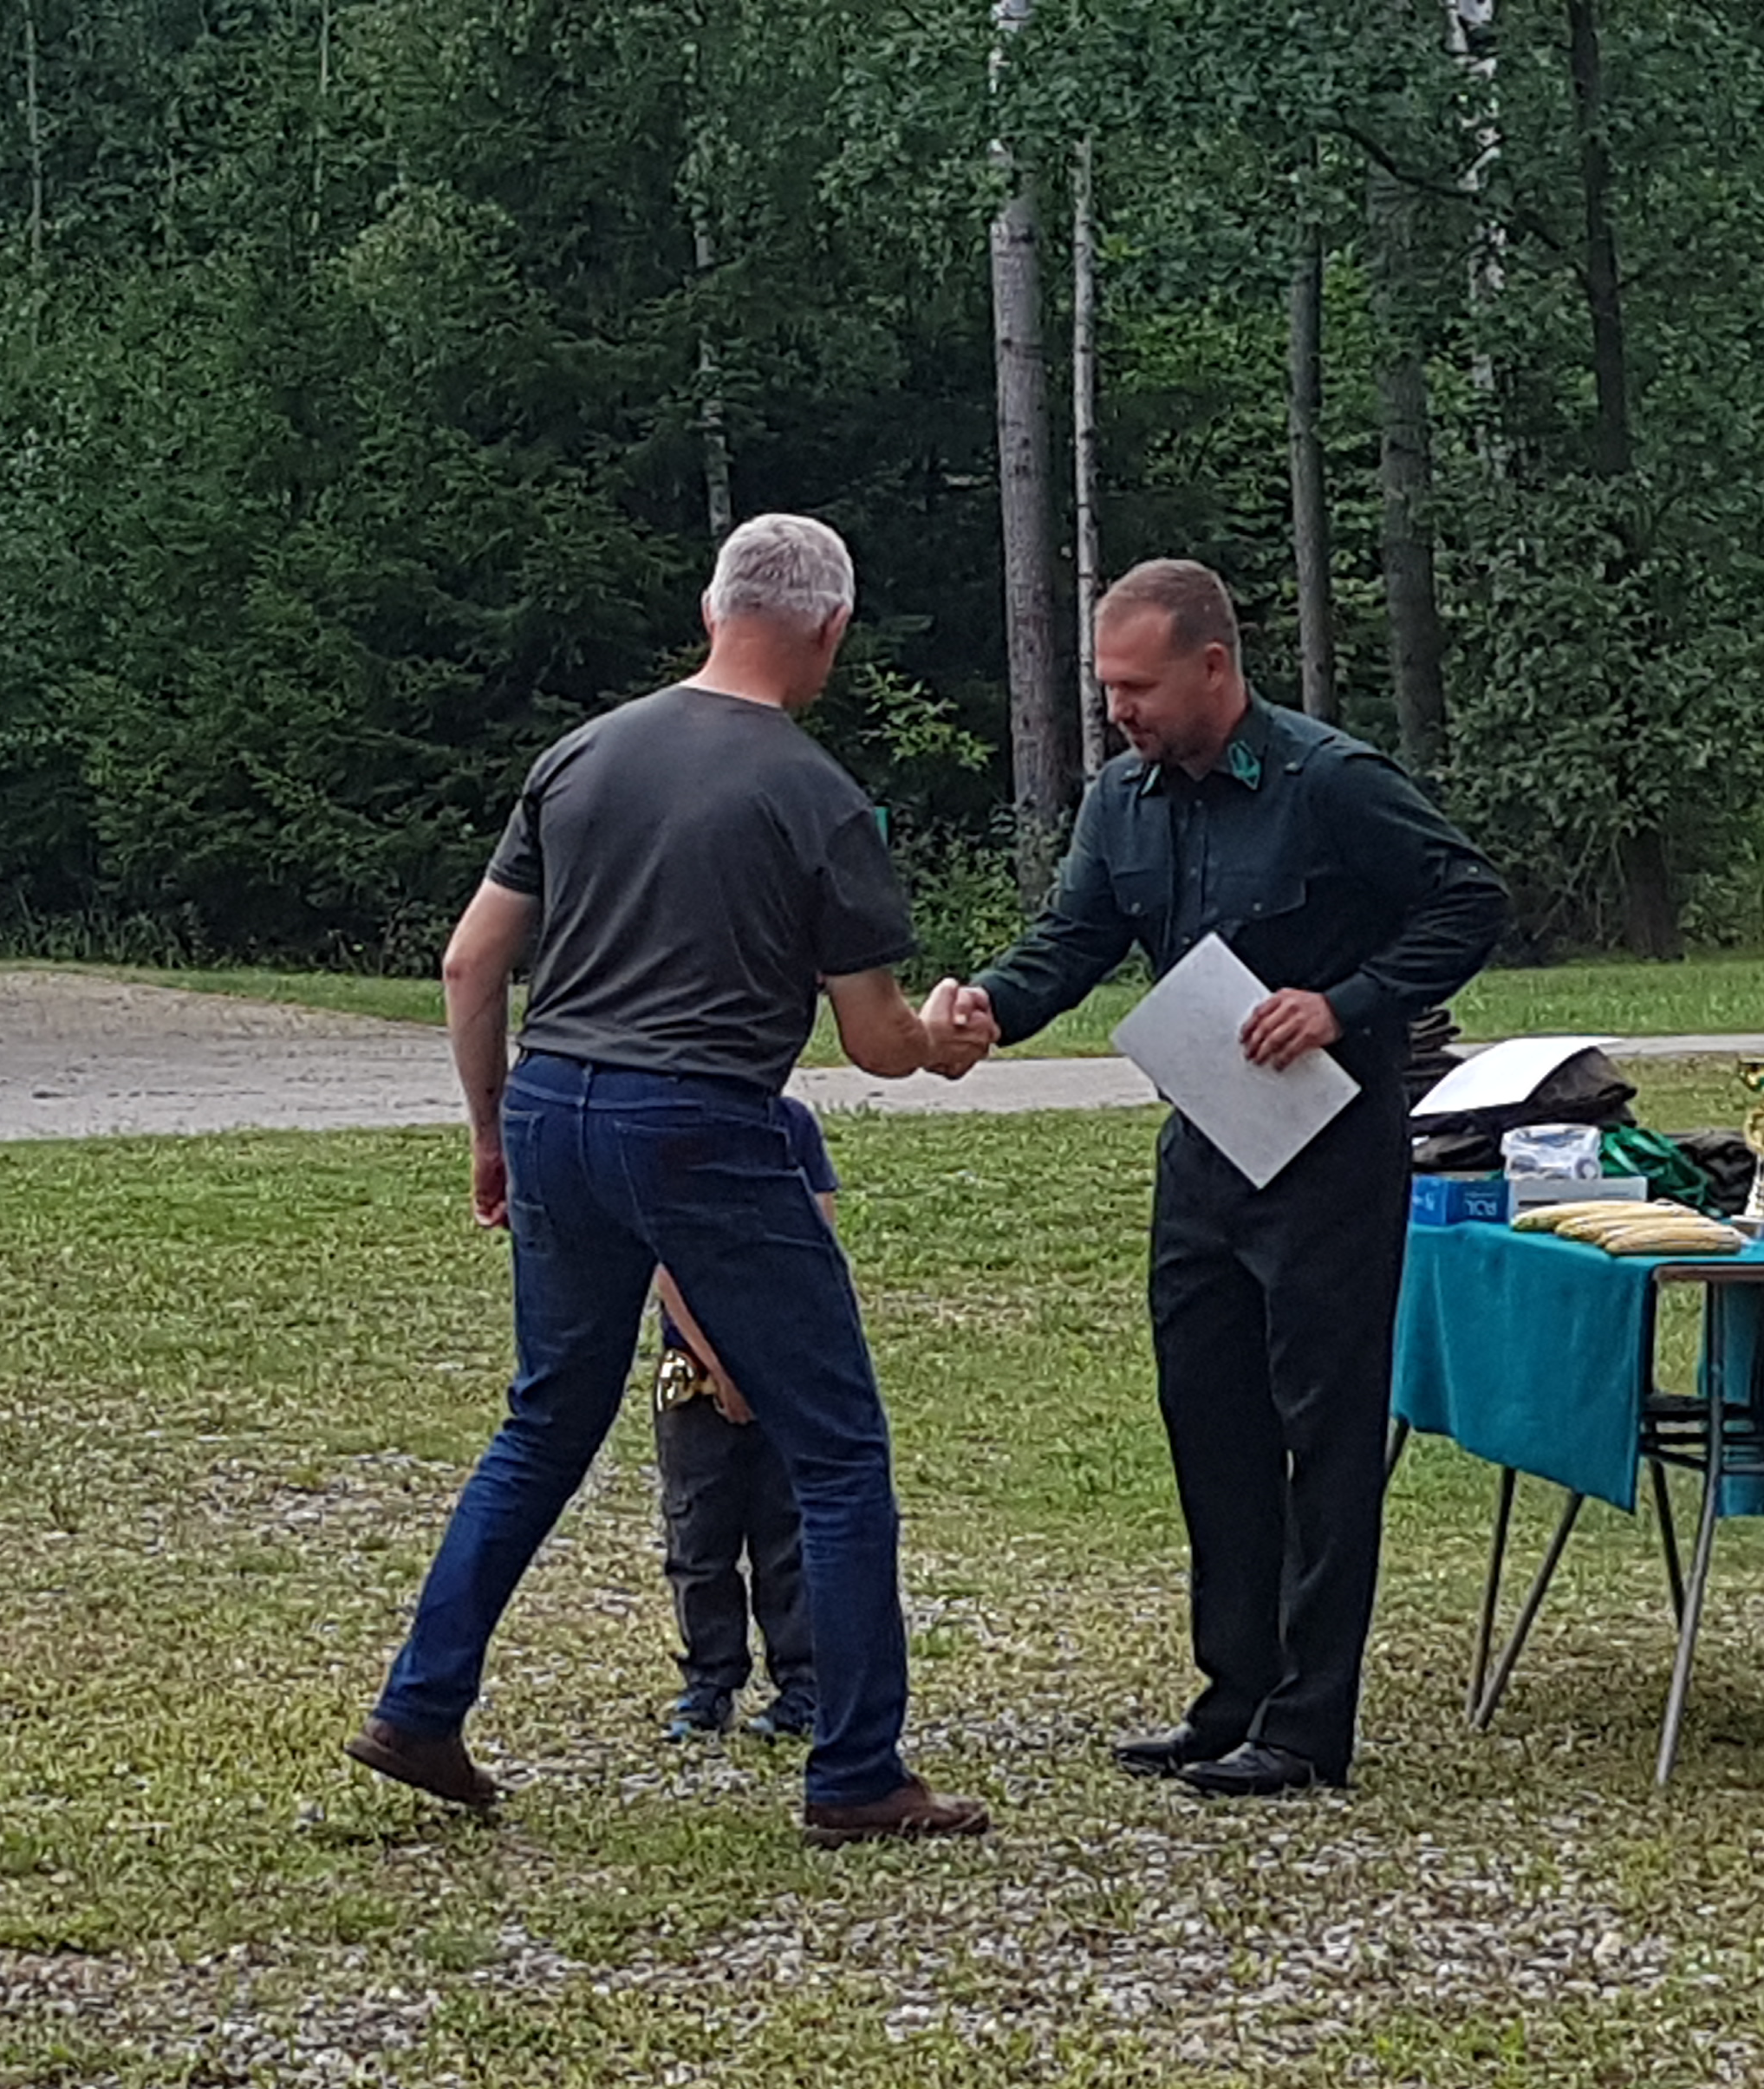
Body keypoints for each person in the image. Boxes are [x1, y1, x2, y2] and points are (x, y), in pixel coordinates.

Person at [352, 511, 999, 1846]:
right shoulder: (818, 797)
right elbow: (873, 1040)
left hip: (554, 1105)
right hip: (701, 1120)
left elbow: (472, 964)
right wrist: (944, 1041)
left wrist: (492, 1132)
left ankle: (420, 1704)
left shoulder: (581, 756)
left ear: (711, 611)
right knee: (837, 1450)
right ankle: (857, 1772)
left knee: (545, 1423)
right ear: (831, 630)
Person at [961, 559, 1505, 1798]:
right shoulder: (1123, 799)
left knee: (1325, 1432)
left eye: (1138, 688)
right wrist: (990, 1006)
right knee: (1209, 1419)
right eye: (1108, 689)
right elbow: (1075, 938)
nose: (1119, 712)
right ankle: (1232, 1696)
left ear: (1215, 667)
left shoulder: (1332, 783)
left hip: (1331, 1150)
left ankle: (1309, 1725)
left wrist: (1345, 1002)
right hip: (1206, 1146)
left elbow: (1469, 901)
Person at [649, 1093, 835, 1747]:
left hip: (783, 1357)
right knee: (698, 1532)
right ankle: (708, 1681)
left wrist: (775, 1360)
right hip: (694, 1367)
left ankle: (805, 1683)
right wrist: (722, 1368)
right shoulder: (668, 1128)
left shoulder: (792, 1125)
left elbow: (818, 1241)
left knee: (788, 1534)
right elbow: (664, 1266)